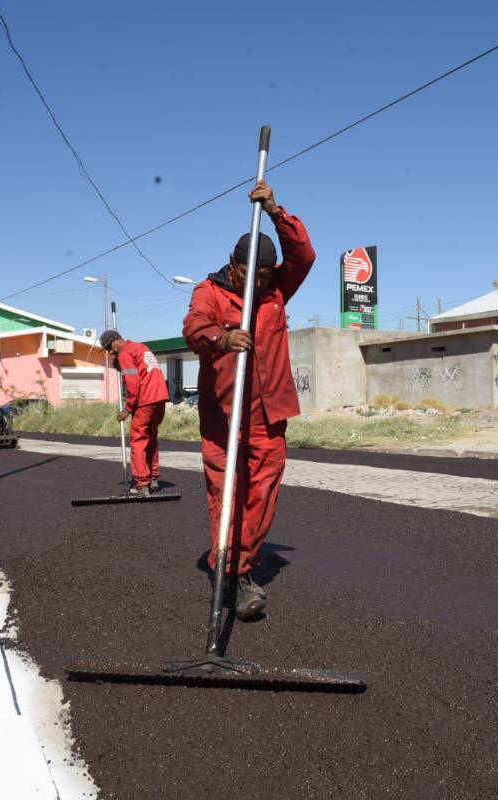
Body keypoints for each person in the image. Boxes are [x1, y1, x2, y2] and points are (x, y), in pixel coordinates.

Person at [181, 180, 315, 621]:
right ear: (234, 266)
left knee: (262, 494)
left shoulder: (276, 290)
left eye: (265, 276)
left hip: (268, 416)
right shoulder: (210, 291)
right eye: (251, 275)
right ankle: (235, 574)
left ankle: (237, 564)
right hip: (223, 417)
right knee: (226, 495)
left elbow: (304, 256)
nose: (258, 283)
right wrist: (221, 339)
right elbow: (194, 327)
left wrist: (276, 211)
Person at [100, 330, 169, 495]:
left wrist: (128, 408)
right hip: (160, 398)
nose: (110, 351)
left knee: (138, 441)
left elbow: (133, 383)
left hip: (145, 400)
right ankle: (153, 478)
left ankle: (141, 484)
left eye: (109, 347)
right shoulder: (141, 347)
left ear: (117, 340)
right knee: (151, 438)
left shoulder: (125, 353)